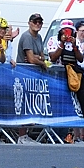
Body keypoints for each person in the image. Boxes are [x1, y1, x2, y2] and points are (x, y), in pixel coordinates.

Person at [14, 13, 48, 145]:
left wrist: (38, 59)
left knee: (30, 104)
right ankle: (21, 135)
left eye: (39, 22)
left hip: (33, 75)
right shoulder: (27, 36)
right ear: (29, 23)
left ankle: (26, 134)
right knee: (23, 104)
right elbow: (32, 58)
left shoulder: (39, 37)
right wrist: (40, 61)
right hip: (24, 74)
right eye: (35, 22)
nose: (37, 24)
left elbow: (40, 56)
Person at [49, 19, 84, 120]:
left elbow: (80, 59)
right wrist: (61, 44)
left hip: (73, 73)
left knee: (80, 98)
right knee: (60, 101)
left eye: (69, 30)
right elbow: (53, 58)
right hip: (58, 75)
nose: (67, 33)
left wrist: (74, 46)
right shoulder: (53, 40)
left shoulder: (76, 42)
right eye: (65, 30)